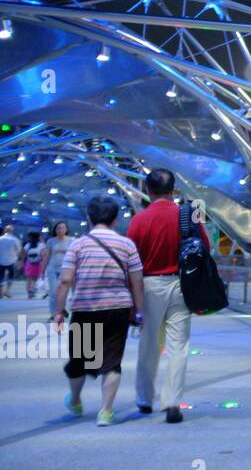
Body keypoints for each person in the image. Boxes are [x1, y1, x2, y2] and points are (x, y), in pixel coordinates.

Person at [54, 196, 144, 427]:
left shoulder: (78, 244)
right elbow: (137, 282)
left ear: (89, 218)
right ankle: (106, 412)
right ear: (115, 219)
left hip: (86, 308)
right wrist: (140, 311)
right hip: (118, 309)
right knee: (112, 361)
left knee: (80, 358)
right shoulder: (127, 245)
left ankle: (75, 401)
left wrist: (58, 311)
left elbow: (65, 281)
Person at [129, 168, 207, 423]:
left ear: (148, 190)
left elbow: (131, 262)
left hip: (149, 285)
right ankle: (172, 401)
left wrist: (132, 301)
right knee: (178, 346)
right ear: (173, 190)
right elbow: (204, 248)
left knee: (150, 343)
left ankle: (144, 399)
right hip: (181, 285)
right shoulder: (189, 215)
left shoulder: (139, 220)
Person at [42, 222, 74, 320]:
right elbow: (47, 255)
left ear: (66, 229)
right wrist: (43, 269)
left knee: (64, 291)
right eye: (58, 228)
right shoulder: (51, 241)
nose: (60, 230)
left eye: (62, 228)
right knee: (53, 292)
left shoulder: (71, 240)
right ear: (55, 230)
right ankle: (53, 313)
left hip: (66, 269)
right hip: (52, 269)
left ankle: (61, 309)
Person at [0, 223, 20, 298]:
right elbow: (18, 250)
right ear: (12, 231)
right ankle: (7, 291)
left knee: (0, 277)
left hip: (1, 261)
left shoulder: (0, 239)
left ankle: (1, 292)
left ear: (5, 230)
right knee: (11, 277)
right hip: (12, 261)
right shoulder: (15, 240)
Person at [22, 231, 44, 299]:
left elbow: (24, 255)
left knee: (29, 279)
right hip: (38, 264)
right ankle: (33, 290)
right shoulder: (41, 245)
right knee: (35, 279)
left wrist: (22, 262)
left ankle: (29, 293)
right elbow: (43, 255)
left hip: (29, 263)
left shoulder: (27, 245)